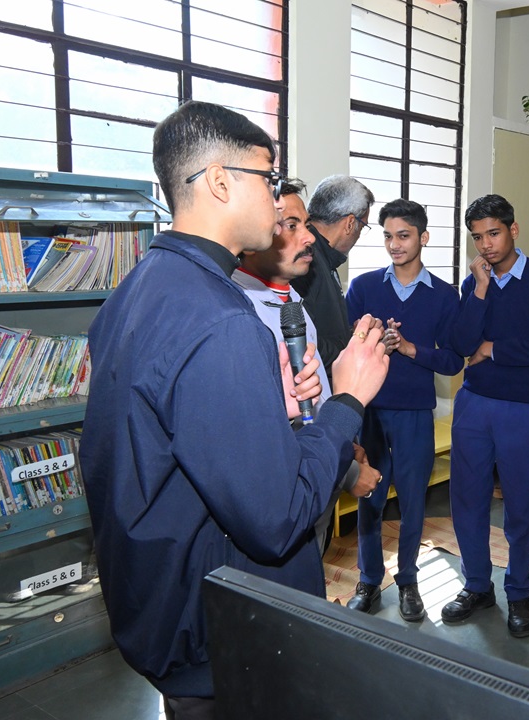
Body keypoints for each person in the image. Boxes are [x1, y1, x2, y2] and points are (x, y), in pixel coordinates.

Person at [79, 101, 389, 718]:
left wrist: (267, 406)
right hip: (221, 634)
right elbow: (276, 519)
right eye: (267, 179)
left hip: (161, 605)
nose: (277, 202)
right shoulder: (222, 319)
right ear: (220, 181)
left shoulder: (141, 288)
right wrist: (347, 399)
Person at [233, 178, 381, 553]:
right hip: (288, 489)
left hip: (322, 461)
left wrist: (345, 447)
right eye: (291, 225)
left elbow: (314, 395)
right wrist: (348, 471)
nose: (310, 237)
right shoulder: (240, 312)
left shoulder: (291, 299)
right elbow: (274, 427)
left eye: (305, 224)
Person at [442, 194, 529, 638]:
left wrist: (491, 348)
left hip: (520, 408)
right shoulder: (474, 282)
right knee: (467, 500)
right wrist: (478, 290)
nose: (486, 245)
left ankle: (519, 592)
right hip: (473, 403)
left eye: (493, 233)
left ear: (513, 229)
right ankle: (477, 585)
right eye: (477, 237)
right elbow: (460, 343)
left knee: (519, 505)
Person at [344, 198, 464, 621]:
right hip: (370, 411)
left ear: (423, 238)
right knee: (370, 498)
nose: (394, 245)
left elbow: (453, 361)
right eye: (388, 236)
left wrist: (411, 349)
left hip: (414, 413)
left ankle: (409, 581)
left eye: (404, 236)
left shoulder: (445, 296)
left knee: (413, 502)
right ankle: (368, 579)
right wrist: (370, 338)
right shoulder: (363, 288)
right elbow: (344, 348)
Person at [292, 174, 375, 377]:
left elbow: (321, 327)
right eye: (363, 226)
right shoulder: (305, 261)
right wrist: (353, 348)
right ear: (350, 223)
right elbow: (301, 342)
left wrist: (353, 335)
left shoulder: (324, 257)